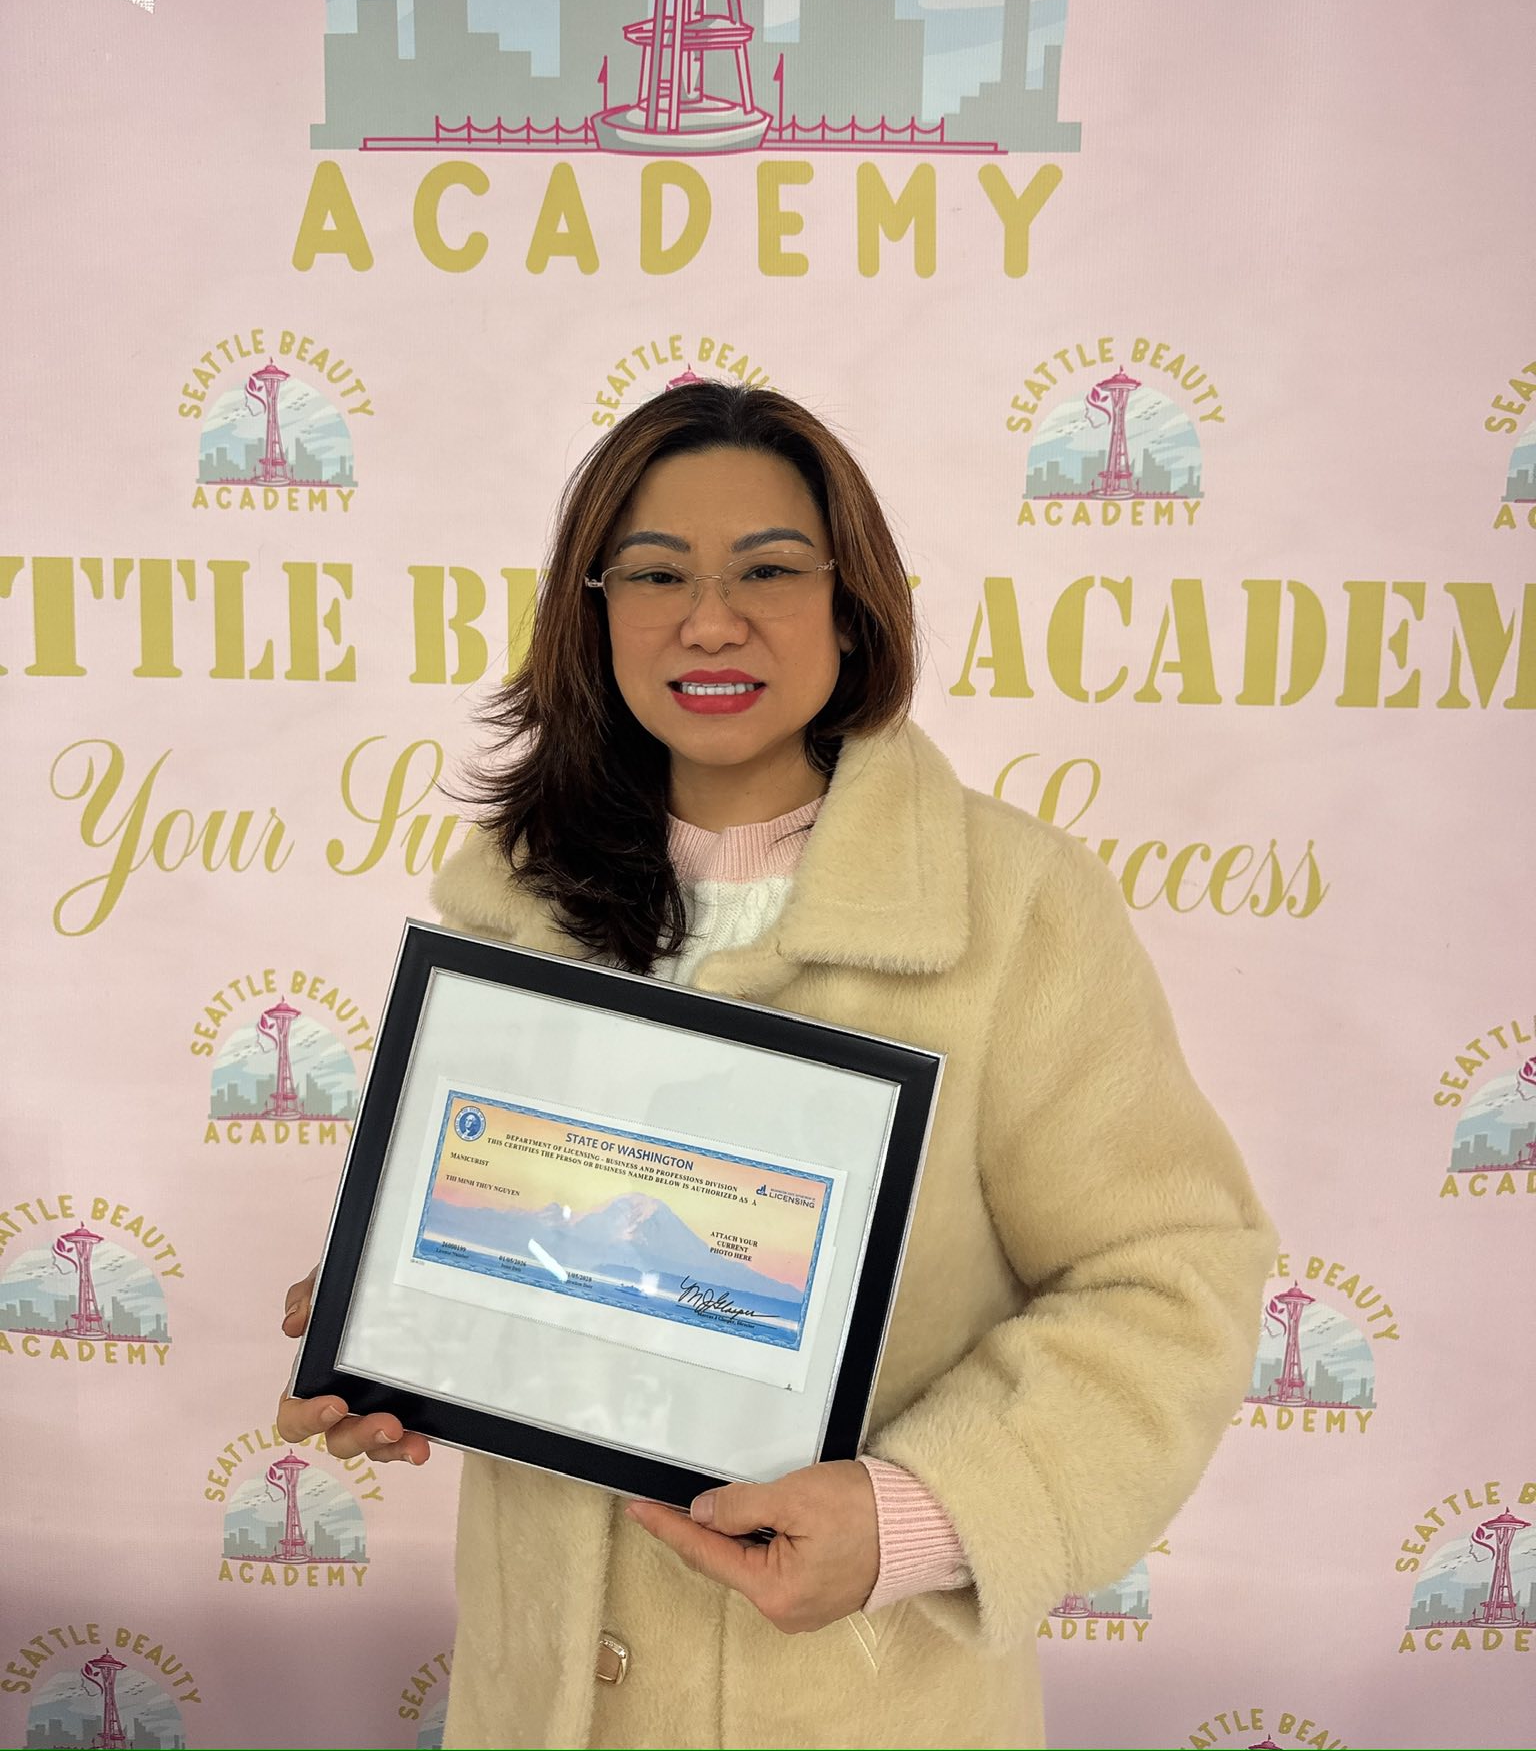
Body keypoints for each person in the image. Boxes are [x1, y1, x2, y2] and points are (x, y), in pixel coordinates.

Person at [278, 381, 1273, 1750]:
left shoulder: (1017, 908)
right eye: (655, 574)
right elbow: (551, 1251)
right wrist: (401, 1320)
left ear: (852, 605)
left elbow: (1171, 1278)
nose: (709, 619)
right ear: (594, 612)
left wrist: (919, 1513)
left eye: (768, 570)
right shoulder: (516, 905)